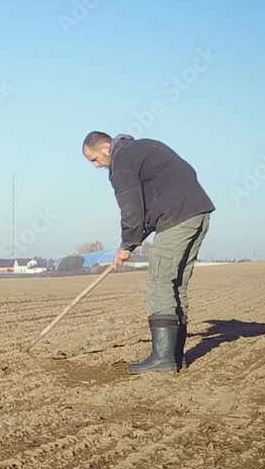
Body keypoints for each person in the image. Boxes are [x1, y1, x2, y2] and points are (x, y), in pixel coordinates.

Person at [82, 132, 215, 374]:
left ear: (105, 147)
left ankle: (163, 359)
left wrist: (125, 245)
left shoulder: (121, 162)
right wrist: (130, 245)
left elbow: (131, 209)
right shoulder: (144, 148)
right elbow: (185, 173)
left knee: (160, 282)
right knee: (176, 285)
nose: (96, 166)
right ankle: (175, 356)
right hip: (199, 212)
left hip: (177, 219)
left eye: (94, 159)